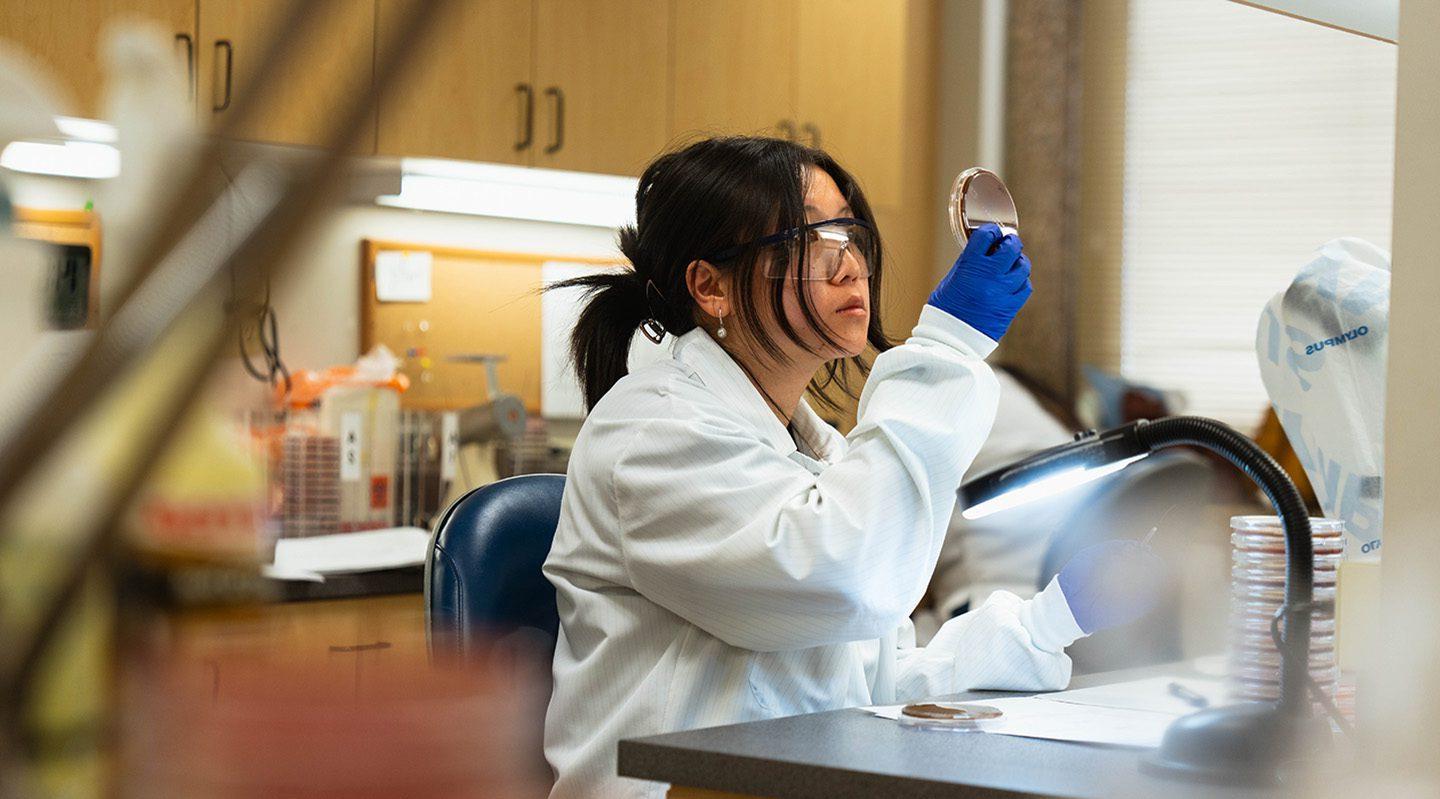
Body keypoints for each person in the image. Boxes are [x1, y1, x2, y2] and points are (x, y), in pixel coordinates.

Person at [542, 136, 1156, 799]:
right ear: (710, 285)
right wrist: (947, 347)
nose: (848, 266)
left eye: (851, 234)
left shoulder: (815, 454)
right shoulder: (653, 433)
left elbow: (878, 683)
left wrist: (1052, 618)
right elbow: (843, 580)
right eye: (808, 241)